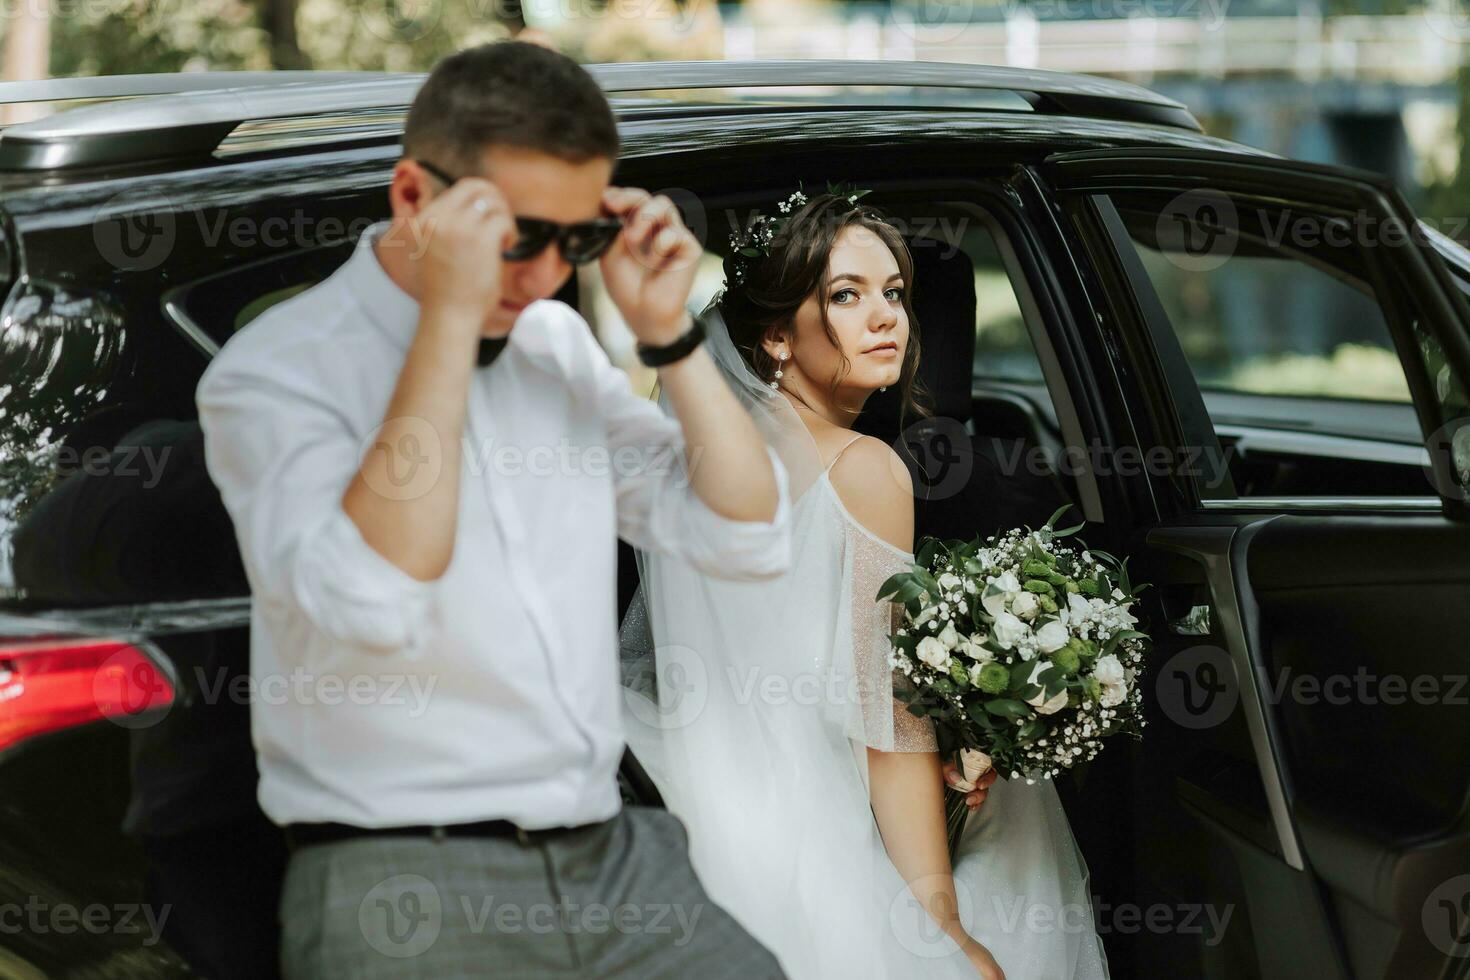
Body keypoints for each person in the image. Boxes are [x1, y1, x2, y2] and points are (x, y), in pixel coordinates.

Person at [197, 41, 794, 979]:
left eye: (578, 241)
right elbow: (374, 598)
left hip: (620, 859)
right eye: (519, 238)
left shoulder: (555, 341)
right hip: (405, 880)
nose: (550, 276)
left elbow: (745, 533)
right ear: (411, 199)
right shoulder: (274, 371)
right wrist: (446, 318)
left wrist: (670, 337)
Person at [620, 191, 1111, 979]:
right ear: (776, 335)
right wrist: (942, 923)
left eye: (893, 293)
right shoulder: (865, 467)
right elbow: (887, 723)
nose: (885, 317)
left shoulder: (699, 456)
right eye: (845, 296)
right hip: (803, 820)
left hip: (693, 787)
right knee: (1022, 817)